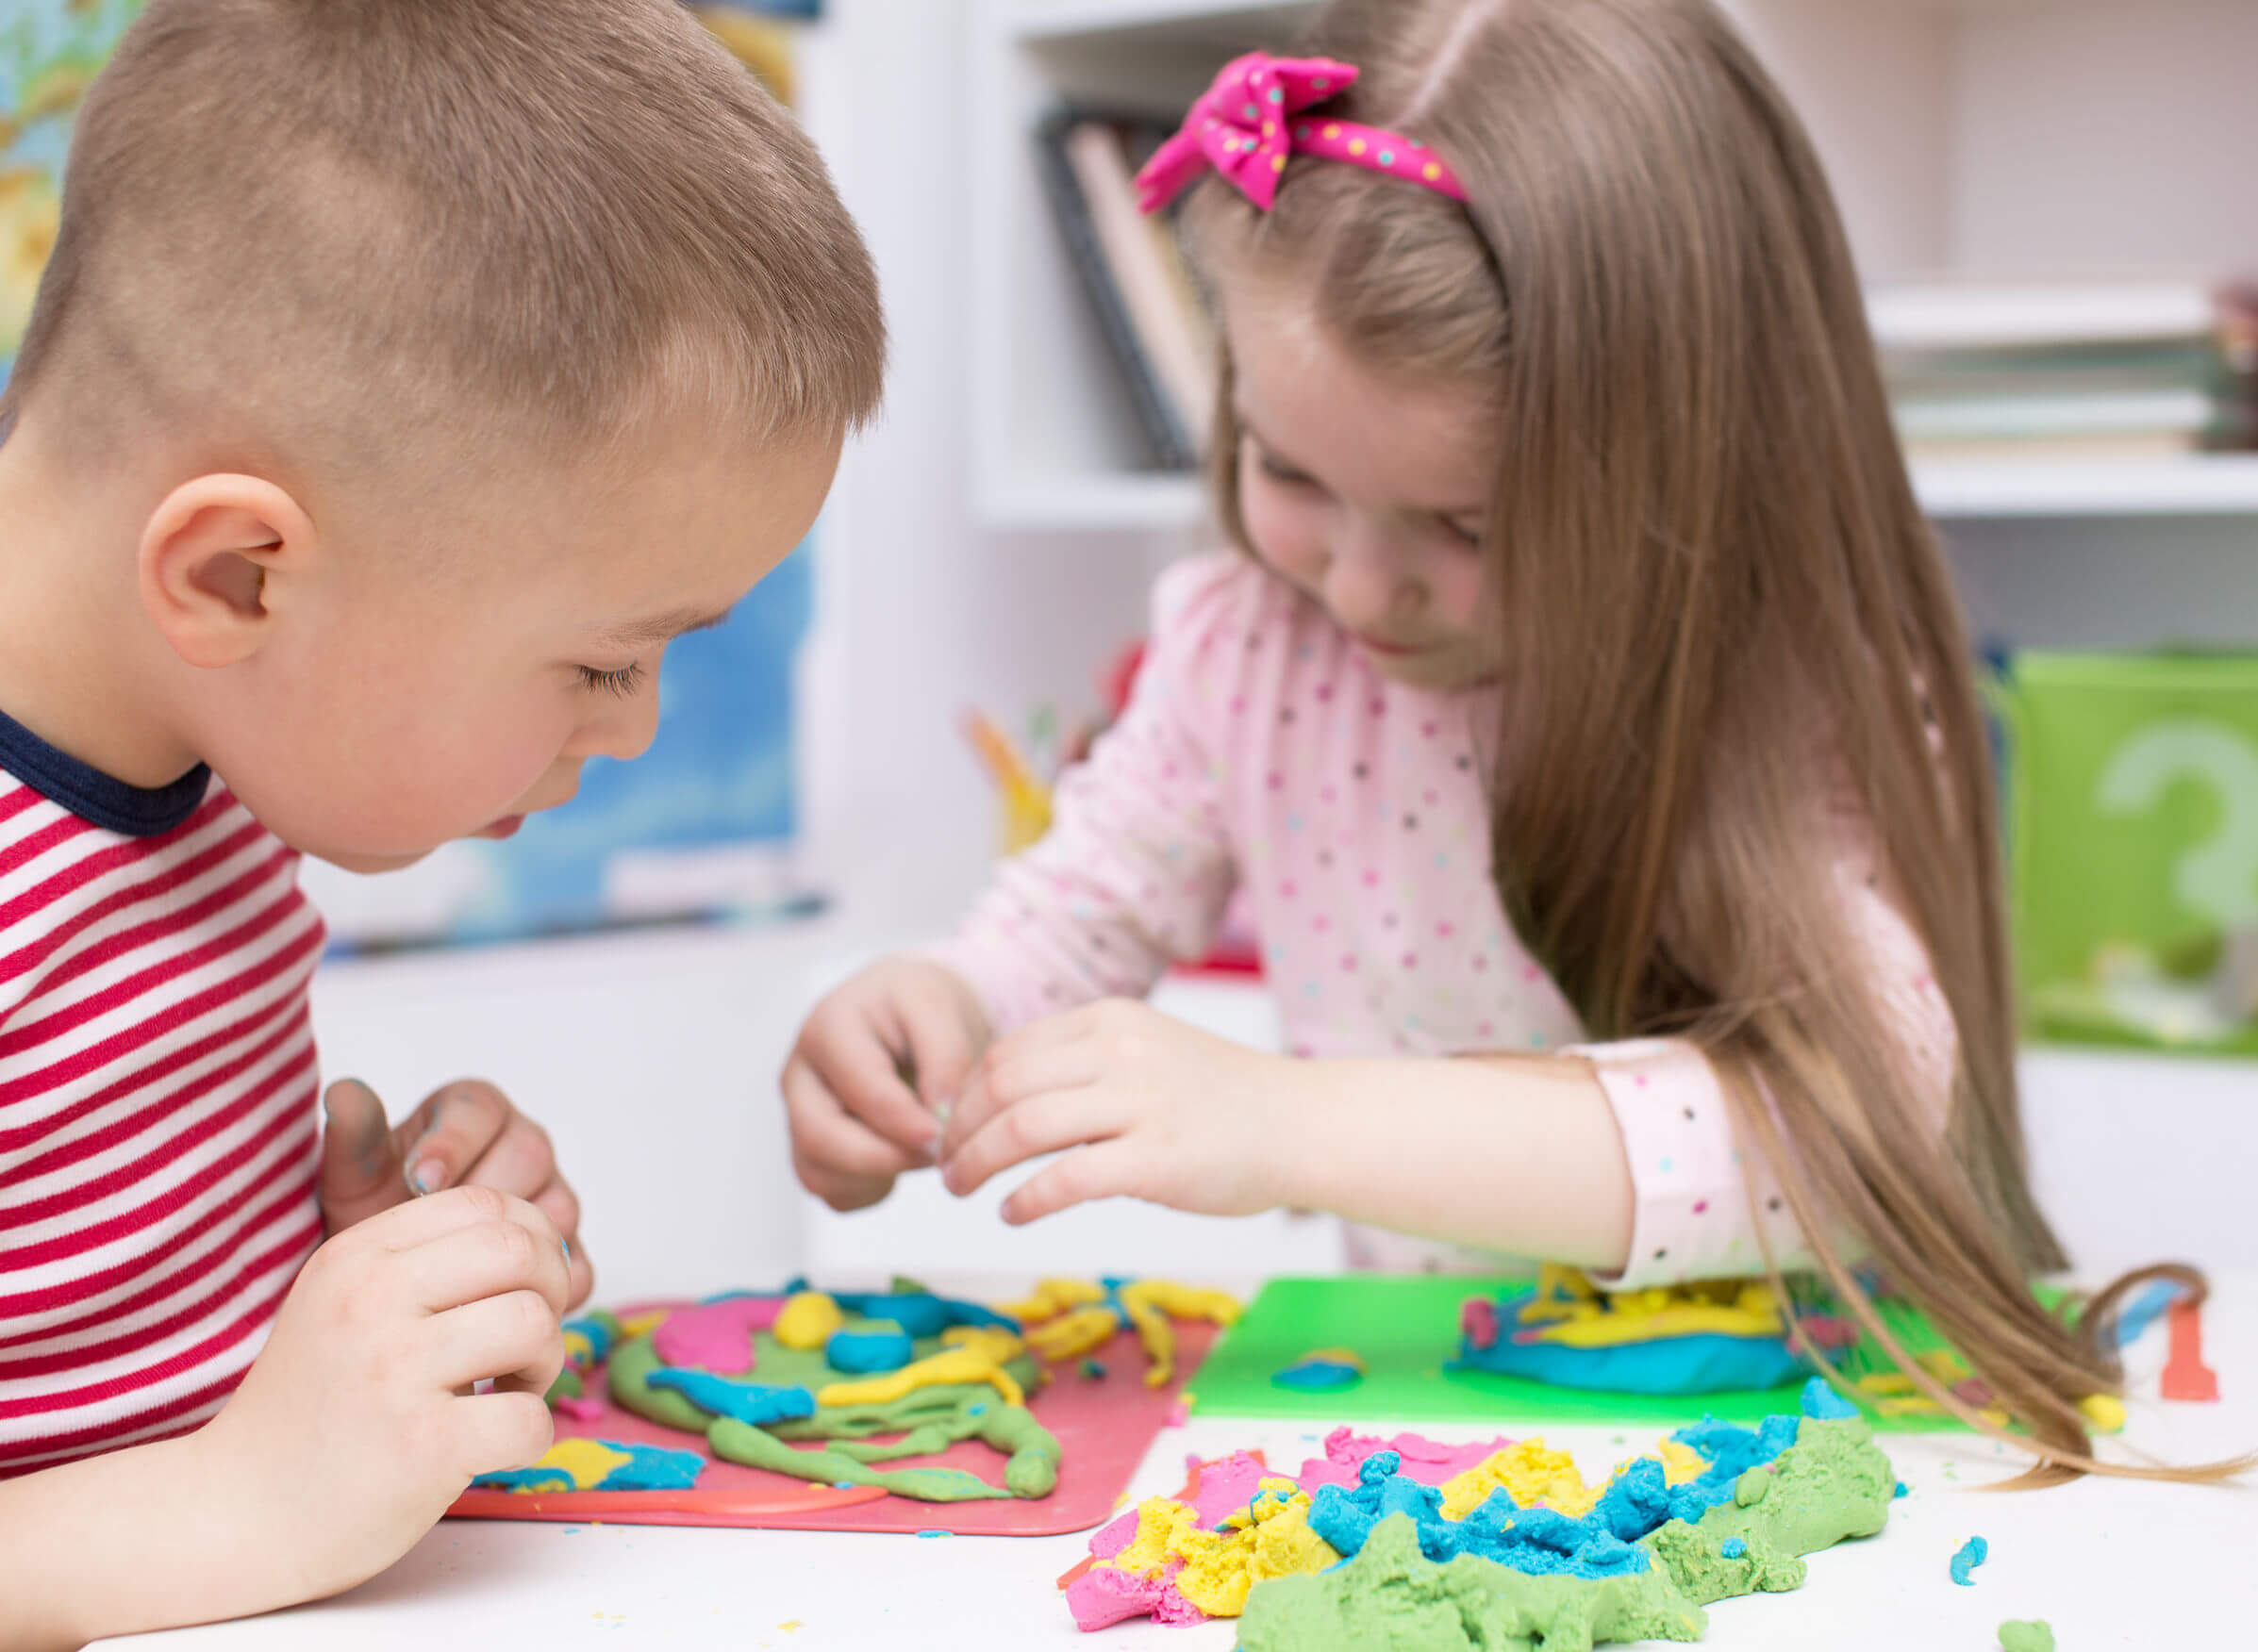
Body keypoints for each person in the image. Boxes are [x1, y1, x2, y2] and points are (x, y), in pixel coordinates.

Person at [785, 0, 2237, 1483]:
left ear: (1684, 469)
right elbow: (1073, 913)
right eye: (1285, 468)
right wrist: (940, 1003)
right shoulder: (1246, 645)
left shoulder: (1765, 688)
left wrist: (1284, 1122)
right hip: (1423, 1444)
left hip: (1785, 1456)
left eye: (1465, 526)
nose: (1355, 584)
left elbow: (1847, 1133)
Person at [0, 0, 882, 1643]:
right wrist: (239, 1497)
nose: (636, 734)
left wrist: (354, 1270)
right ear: (238, 575)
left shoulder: (218, 756)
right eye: (604, 661)